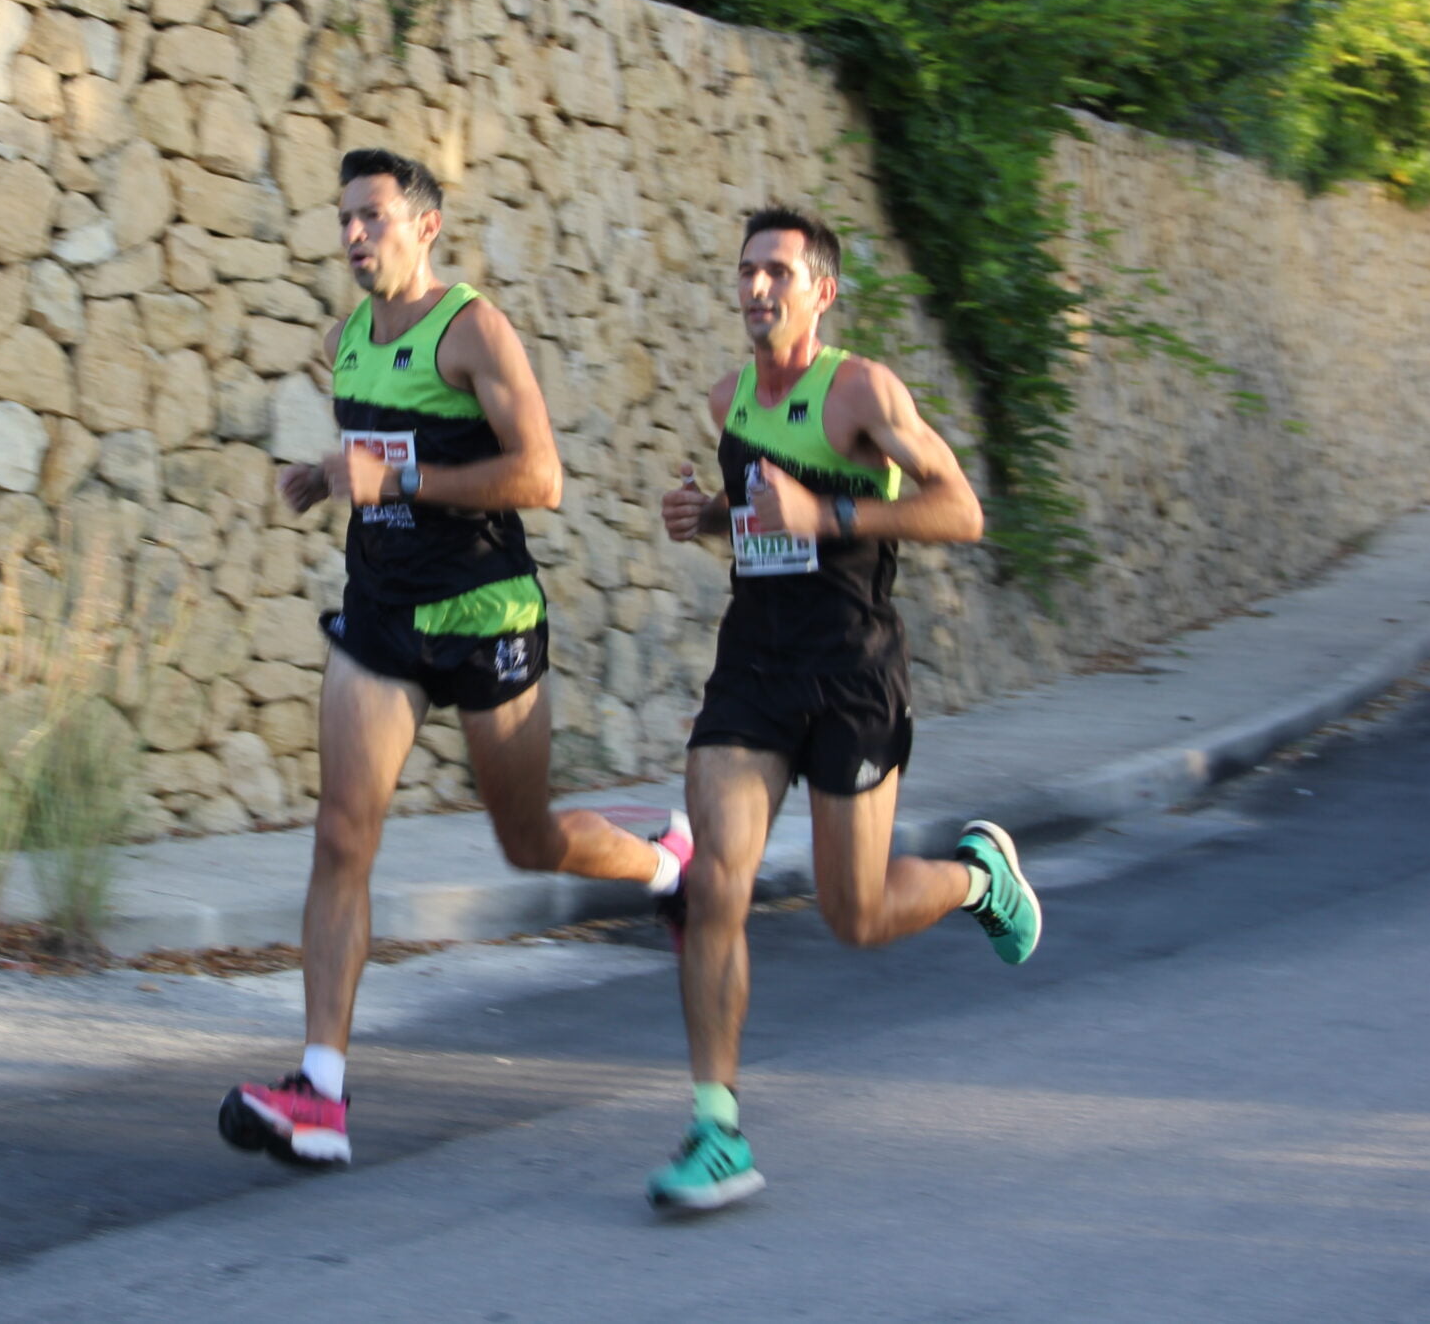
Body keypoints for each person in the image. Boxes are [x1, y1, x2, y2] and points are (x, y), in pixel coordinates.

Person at [218, 149, 692, 1168]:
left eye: (372, 216)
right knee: (343, 836)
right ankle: (321, 1094)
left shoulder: (471, 328)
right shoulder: (349, 341)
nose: (353, 235)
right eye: (343, 217)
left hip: (485, 614)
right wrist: (322, 478)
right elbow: (374, 461)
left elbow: (539, 475)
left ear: (423, 226)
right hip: (382, 618)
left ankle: (666, 865)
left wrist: (395, 483)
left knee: (525, 839)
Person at [645, 205, 1041, 1212]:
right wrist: (709, 522)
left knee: (853, 913)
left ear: (821, 290)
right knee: (714, 887)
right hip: (754, 673)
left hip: (853, 672)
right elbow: (762, 534)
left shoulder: (862, 391)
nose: (756, 288)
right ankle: (716, 1130)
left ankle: (976, 877)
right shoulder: (727, 399)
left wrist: (831, 512)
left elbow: (959, 509)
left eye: (778, 271)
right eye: (745, 271)